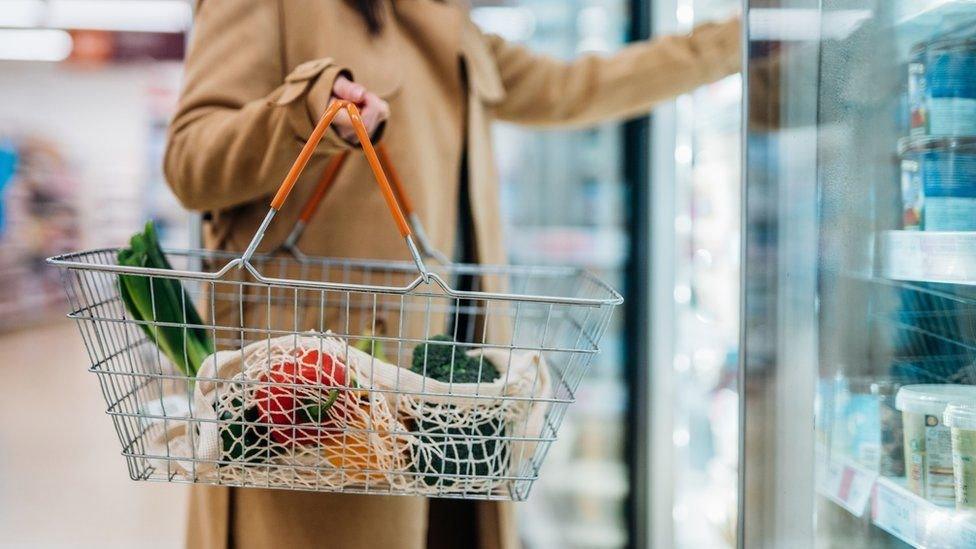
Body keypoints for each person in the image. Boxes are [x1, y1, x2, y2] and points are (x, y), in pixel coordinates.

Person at [164, 1, 740, 547]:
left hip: (454, 408)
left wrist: (733, 44)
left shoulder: (442, 17)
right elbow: (190, 163)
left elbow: (570, 89)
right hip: (319, 411)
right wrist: (305, 110)